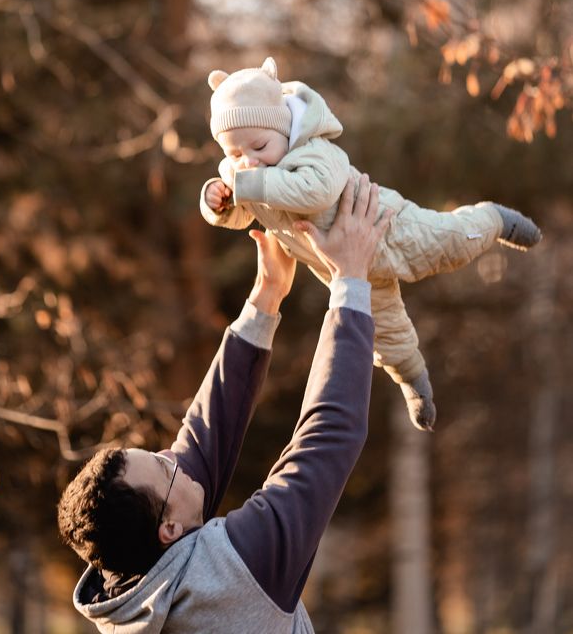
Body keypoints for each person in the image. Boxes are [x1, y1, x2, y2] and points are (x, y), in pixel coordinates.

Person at [58, 174, 390, 634]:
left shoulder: (130, 584)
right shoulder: (237, 574)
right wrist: (351, 281)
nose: (172, 454)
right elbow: (329, 436)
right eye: (162, 465)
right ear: (169, 529)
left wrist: (265, 298)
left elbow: (202, 444)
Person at [200, 57, 541, 430]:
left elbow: (315, 192)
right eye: (234, 154)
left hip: (387, 226)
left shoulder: (313, 152)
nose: (248, 162)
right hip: (345, 266)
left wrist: (246, 184)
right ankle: (415, 383)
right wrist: (218, 201)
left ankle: (493, 219)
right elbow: (242, 213)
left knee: (450, 245)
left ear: (285, 130)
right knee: (383, 332)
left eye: (260, 146)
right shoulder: (247, 174)